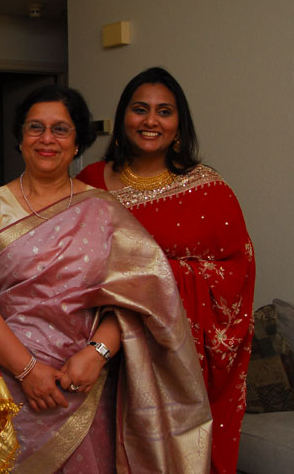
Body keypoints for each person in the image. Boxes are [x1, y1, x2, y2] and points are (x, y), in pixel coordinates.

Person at [0, 84, 212, 472]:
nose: (47, 139)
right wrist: (26, 370)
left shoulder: (105, 210)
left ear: (77, 142)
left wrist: (97, 353)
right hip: (8, 379)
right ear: (20, 138)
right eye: (35, 127)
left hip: (84, 384)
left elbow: (141, 298)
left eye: (60, 129)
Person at [77, 67, 255, 474]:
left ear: (179, 125)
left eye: (164, 112)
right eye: (140, 109)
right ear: (123, 118)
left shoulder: (209, 190)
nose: (151, 121)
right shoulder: (88, 183)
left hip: (175, 360)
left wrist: (156, 275)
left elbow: (236, 273)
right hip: (97, 358)